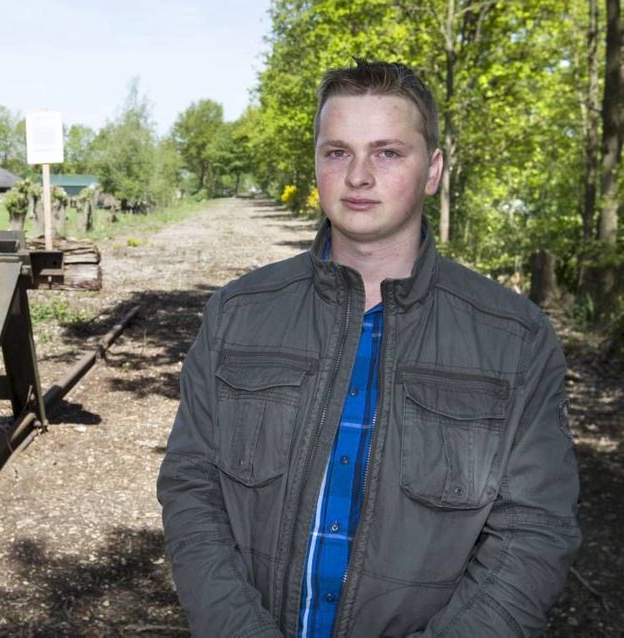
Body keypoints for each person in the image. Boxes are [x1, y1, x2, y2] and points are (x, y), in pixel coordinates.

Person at [156, 60, 580, 637]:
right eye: (337, 152)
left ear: (432, 171)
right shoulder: (237, 314)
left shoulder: (515, 340)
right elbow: (192, 489)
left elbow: (533, 533)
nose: (358, 176)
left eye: (387, 153)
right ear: (317, 164)